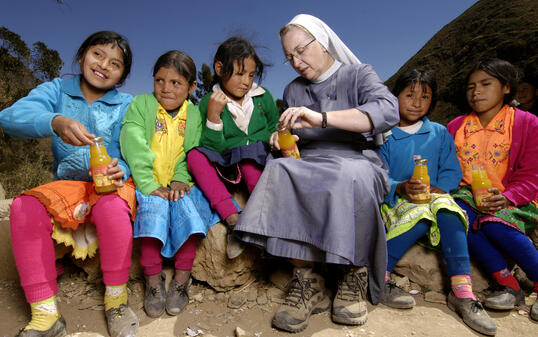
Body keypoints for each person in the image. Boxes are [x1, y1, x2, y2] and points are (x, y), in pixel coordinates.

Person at [234, 14, 399, 332]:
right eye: (289, 57)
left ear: (322, 42)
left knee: (347, 174)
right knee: (280, 169)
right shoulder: (293, 89)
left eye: (301, 50)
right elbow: (295, 137)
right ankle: (308, 280)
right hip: (309, 162)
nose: (296, 61)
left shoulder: (358, 75)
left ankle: (354, 274)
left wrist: (323, 118)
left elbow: (387, 109)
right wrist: (280, 139)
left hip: (356, 159)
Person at [0, 31, 139, 337]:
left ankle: (116, 300)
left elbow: (137, 150)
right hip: (68, 184)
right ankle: (45, 315)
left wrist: (123, 168)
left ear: (122, 76)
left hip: (110, 184)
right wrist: (54, 122)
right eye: (97, 54)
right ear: (81, 56)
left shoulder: (127, 104)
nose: (103, 65)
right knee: (25, 206)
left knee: (113, 209)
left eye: (115, 64)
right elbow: (10, 117)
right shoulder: (57, 90)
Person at [378, 69, 496, 335]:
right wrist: (400, 186)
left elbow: (452, 170)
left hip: (434, 196)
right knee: (421, 216)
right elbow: (378, 174)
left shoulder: (439, 133)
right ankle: (380, 274)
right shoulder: (384, 135)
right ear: (394, 97)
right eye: (409, 95)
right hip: (398, 201)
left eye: (425, 96)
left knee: (449, 211)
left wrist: (438, 188)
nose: (417, 102)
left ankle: (462, 291)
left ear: (433, 101)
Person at [120, 50, 220, 318]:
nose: (165, 88)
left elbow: (193, 150)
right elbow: (133, 142)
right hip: (148, 181)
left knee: (186, 208)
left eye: (176, 83)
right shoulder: (142, 104)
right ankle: (153, 279)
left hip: (180, 181)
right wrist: (147, 183)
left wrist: (180, 178)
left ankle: (181, 277)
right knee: (152, 211)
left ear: (191, 87)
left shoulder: (194, 114)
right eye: (159, 80)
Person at [447, 59, 538, 322]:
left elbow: (532, 173)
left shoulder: (526, 122)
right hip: (467, 194)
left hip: (513, 195)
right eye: (471, 87)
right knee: (459, 219)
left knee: (493, 225)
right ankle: (507, 284)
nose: (476, 92)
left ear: (506, 87)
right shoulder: (456, 126)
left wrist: (508, 196)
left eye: (486, 84)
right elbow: (450, 169)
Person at [186, 37, 280, 259]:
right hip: (227, 164)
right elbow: (211, 146)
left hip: (258, 159)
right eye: (239, 74)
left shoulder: (263, 97)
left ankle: (262, 219)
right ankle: (233, 219)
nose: (246, 82)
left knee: (248, 158)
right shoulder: (209, 101)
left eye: (250, 75)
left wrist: (267, 139)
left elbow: (274, 127)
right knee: (194, 156)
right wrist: (213, 115)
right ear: (219, 69)